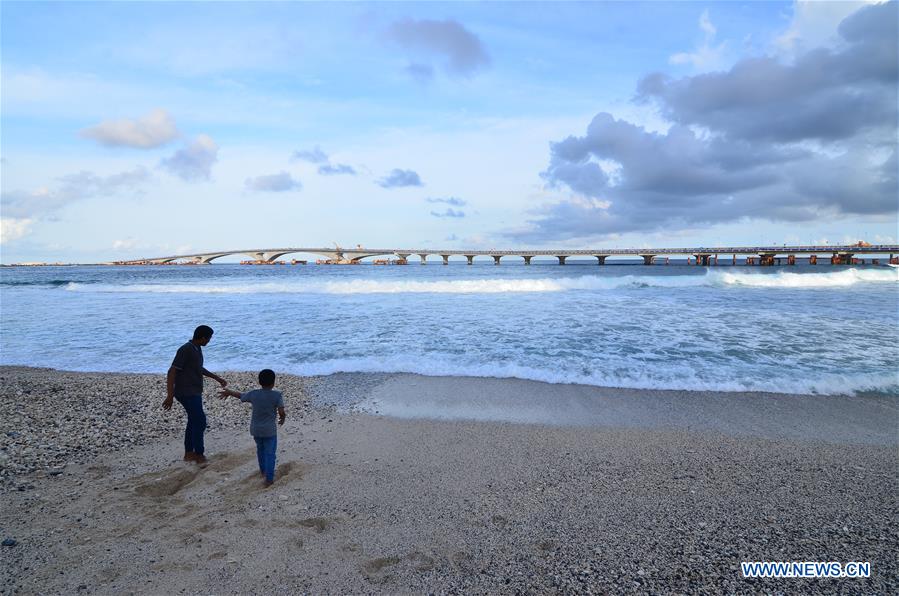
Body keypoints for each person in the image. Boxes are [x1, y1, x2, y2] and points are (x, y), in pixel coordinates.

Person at [163, 325, 228, 465]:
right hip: (186, 392)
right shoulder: (186, 349)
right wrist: (170, 395)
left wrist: (217, 378)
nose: (209, 341)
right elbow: (172, 371)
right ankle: (199, 454)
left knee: (193, 420)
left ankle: (189, 453)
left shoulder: (197, 349)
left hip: (194, 391)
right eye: (209, 338)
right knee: (200, 421)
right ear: (203, 337)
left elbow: (198, 368)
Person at [219, 369, 286, 486]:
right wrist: (282, 418)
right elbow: (281, 411)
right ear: (273, 382)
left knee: (260, 450)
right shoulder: (277, 395)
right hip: (269, 431)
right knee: (270, 454)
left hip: (255, 429)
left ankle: (263, 471)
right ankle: (269, 479)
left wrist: (229, 392)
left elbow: (240, 395)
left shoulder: (254, 394)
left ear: (259, 382)